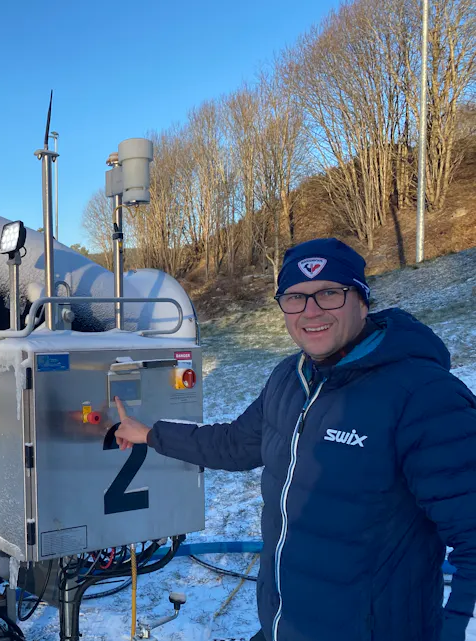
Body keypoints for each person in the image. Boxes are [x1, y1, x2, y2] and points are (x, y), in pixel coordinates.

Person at [113, 238, 476, 641]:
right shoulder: (290, 378)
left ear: (362, 300)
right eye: (295, 298)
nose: (311, 311)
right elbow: (234, 444)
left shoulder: (425, 396)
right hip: (283, 626)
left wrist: (454, 626)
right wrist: (149, 434)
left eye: (329, 293)